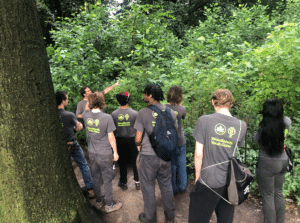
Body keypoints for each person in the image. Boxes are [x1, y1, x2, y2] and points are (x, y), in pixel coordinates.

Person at [189, 89, 247, 223]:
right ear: (231, 104)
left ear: (213, 102)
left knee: (197, 218)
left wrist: (198, 177)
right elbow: (234, 149)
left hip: (208, 180)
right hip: (230, 181)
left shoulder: (204, 120)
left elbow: (198, 153)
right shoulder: (241, 125)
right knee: (225, 219)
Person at [134, 84, 178, 223]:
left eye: (145, 94)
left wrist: (139, 149)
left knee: (148, 188)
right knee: (166, 187)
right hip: (166, 156)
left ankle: (150, 219)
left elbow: (137, 138)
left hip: (148, 157)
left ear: (150, 95)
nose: (143, 96)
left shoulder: (143, 113)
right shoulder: (170, 112)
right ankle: (170, 219)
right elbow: (173, 133)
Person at [82, 91, 122, 213]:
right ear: (102, 103)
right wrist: (115, 152)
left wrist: (89, 100)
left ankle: (99, 201)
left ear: (90, 103)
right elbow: (111, 137)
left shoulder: (85, 115)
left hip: (92, 153)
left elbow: (85, 109)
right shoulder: (107, 118)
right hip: (105, 153)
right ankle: (110, 204)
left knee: (95, 177)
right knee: (107, 179)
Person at [255, 99, 291, 223]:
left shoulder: (263, 125)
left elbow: (257, 140)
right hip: (283, 160)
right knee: (278, 192)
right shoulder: (287, 121)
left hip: (267, 162)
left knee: (268, 196)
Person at [56, 91, 95, 199]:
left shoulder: (52, 116)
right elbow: (78, 127)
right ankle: (91, 190)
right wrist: (78, 126)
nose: (68, 100)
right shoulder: (69, 115)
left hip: (59, 146)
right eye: (67, 99)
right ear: (63, 101)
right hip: (72, 143)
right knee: (83, 165)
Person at [111, 92, 140, 190]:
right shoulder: (135, 113)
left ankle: (123, 182)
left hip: (120, 140)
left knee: (122, 162)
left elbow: (113, 130)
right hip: (133, 140)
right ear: (128, 100)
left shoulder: (114, 114)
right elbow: (138, 129)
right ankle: (137, 181)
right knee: (135, 161)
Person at [166, 86, 187, 195]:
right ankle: (182, 187)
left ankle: (173, 189)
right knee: (181, 163)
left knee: (171, 165)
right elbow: (182, 117)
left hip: (168, 141)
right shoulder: (182, 109)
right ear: (180, 97)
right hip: (180, 141)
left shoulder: (162, 108)